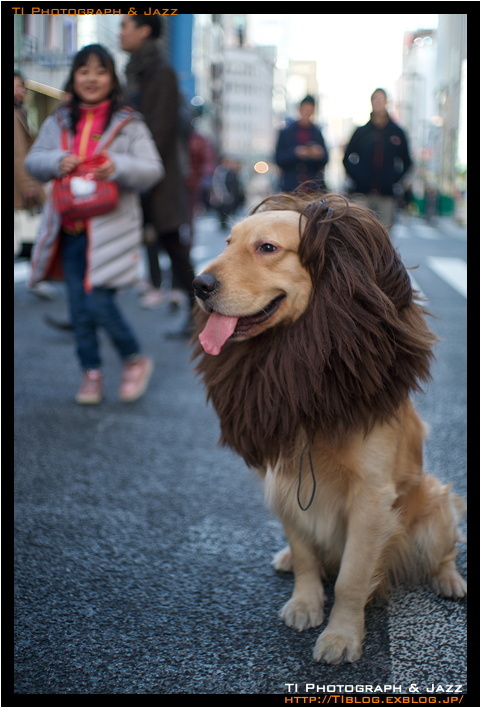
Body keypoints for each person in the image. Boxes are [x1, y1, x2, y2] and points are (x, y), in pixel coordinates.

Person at [25, 44, 164, 405]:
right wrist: (58, 160)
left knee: (99, 304)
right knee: (78, 310)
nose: (91, 78)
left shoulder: (129, 122)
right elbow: (33, 161)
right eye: (84, 71)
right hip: (69, 231)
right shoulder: (58, 120)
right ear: (73, 77)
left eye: (100, 71)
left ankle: (134, 358)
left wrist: (116, 166)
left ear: (112, 78)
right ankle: (91, 374)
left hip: (111, 231)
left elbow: (153, 170)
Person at [120, 14, 196, 332]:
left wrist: (143, 175)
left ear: (144, 29)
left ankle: (198, 313)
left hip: (154, 178)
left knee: (174, 248)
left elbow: (160, 131)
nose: (120, 31)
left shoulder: (159, 71)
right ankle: (88, 312)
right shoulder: (138, 69)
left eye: (125, 25)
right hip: (144, 175)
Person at [342, 88, 413, 230]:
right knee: (360, 233)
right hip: (362, 192)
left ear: (386, 102)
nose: (378, 103)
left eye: (381, 100)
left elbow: (407, 161)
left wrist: (393, 179)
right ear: (371, 102)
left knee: (384, 233)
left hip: (386, 194)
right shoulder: (362, 132)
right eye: (375, 100)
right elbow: (347, 158)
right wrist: (358, 176)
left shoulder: (397, 132)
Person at [14, 72, 54, 299]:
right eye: (16, 86)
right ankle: (37, 278)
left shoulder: (20, 113)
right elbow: (18, 154)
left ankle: (37, 277)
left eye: (22, 87)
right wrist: (28, 184)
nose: (21, 91)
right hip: (19, 184)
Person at [275, 94, 329, 193]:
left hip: (313, 188)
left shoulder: (317, 133)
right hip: (291, 187)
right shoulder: (286, 133)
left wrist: (317, 154)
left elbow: (325, 159)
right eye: (305, 110)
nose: (307, 114)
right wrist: (295, 153)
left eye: (310, 111)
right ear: (299, 110)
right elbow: (278, 158)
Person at [210, 156, 245, 230]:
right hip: (223, 196)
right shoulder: (221, 171)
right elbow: (218, 184)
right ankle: (223, 224)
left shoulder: (229, 171)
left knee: (227, 210)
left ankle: (224, 224)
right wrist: (222, 194)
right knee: (223, 211)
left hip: (227, 195)